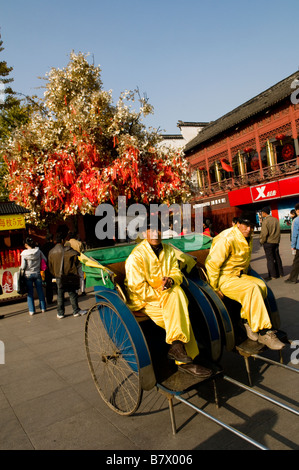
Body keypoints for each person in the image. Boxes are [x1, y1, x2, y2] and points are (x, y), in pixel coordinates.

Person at [124, 217, 212, 378]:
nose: (155, 233)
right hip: (145, 301)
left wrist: (171, 280)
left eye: (158, 229)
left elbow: (176, 272)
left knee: (177, 295)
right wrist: (161, 294)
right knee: (180, 315)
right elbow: (137, 288)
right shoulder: (136, 257)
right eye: (150, 230)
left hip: (169, 295)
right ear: (144, 233)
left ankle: (178, 348)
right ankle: (187, 359)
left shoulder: (169, 250)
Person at [205, 212, 285, 350]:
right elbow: (212, 264)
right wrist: (214, 288)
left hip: (240, 275)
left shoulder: (247, 236)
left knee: (262, 286)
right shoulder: (226, 238)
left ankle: (246, 320)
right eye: (246, 225)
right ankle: (264, 332)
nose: (249, 229)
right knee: (251, 288)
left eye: (251, 226)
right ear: (238, 224)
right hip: (225, 278)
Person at [48, 233, 87, 319]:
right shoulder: (67, 250)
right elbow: (77, 254)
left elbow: (50, 267)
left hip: (58, 276)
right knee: (72, 293)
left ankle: (60, 313)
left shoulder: (51, 252)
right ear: (62, 241)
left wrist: (55, 274)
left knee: (60, 294)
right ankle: (76, 310)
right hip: (68, 275)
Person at [20, 237, 47, 316]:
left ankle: (32, 310)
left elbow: (23, 266)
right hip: (37, 273)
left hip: (28, 274)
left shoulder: (24, 253)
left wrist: (22, 269)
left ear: (26, 244)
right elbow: (44, 259)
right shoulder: (38, 251)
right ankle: (43, 308)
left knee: (30, 292)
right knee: (40, 291)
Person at [259, 206, 284, 280]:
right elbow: (279, 231)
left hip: (268, 242)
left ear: (264, 213)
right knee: (277, 257)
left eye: (262, 213)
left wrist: (261, 241)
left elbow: (264, 234)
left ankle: (273, 275)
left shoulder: (265, 221)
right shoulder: (275, 220)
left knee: (270, 259)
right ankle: (280, 273)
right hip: (275, 242)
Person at [285, 203, 299, 284]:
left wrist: (293, 245)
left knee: (296, 262)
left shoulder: (296, 220)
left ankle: (292, 279)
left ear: (297, 211)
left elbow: (295, 234)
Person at [41, 233, 55, 304]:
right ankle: (61, 297)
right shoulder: (53, 246)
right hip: (54, 266)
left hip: (47, 267)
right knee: (58, 282)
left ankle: (49, 299)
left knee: (48, 284)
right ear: (51, 239)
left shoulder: (43, 247)